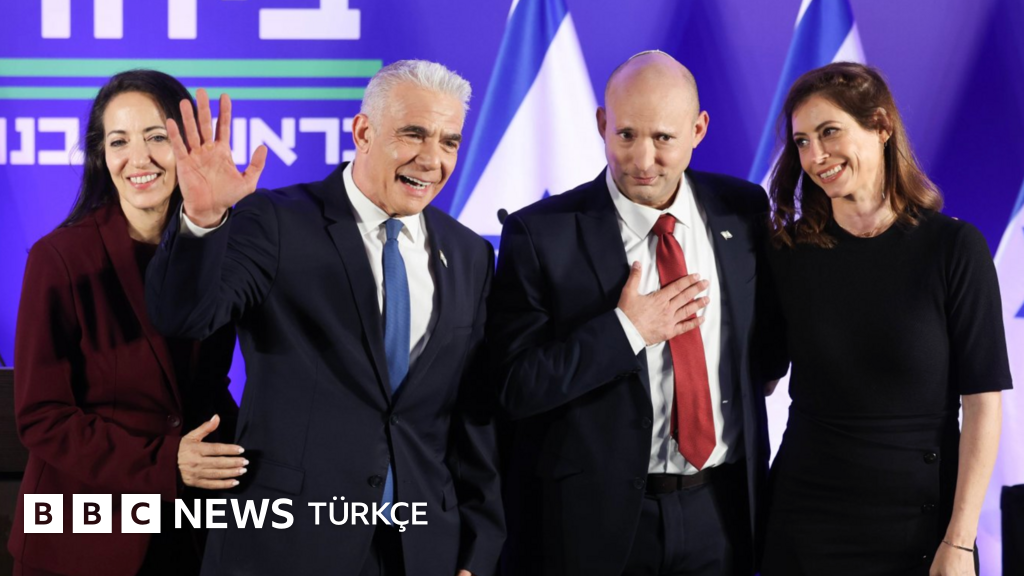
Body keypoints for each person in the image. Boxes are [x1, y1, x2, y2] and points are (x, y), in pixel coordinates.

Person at [145, 60, 504, 576]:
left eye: (449, 142)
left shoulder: (469, 253)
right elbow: (185, 317)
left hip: (421, 551)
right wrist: (203, 221)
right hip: (287, 547)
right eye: (413, 134)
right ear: (363, 132)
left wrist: (477, 551)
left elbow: (471, 415)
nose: (432, 159)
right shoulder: (277, 221)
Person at [489, 51, 785, 576]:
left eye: (663, 138)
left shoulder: (742, 210)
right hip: (597, 526)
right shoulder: (541, 234)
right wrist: (626, 331)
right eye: (626, 135)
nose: (643, 159)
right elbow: (514, 387)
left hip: (723, 512)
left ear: (698, 130)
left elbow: (765, 343)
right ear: (602, 123)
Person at [760, 62, 1012, 576]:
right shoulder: (787, 254)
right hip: (805, 522)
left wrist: (960, 541)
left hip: (921, 528)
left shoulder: (953, 249)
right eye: (802, 141)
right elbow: (758, 377)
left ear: (880, 125)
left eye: (829, 132)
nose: (815, 156)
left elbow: (983, 405)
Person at [9, 70, 242, 576]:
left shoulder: (222, 246)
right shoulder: (59, 257)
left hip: (194, 532)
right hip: (82, 539)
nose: (139, 159)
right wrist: (164, 462)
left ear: (188, 146)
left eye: (157, 137)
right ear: (101, 155)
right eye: (119, 141)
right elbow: (42, 416)